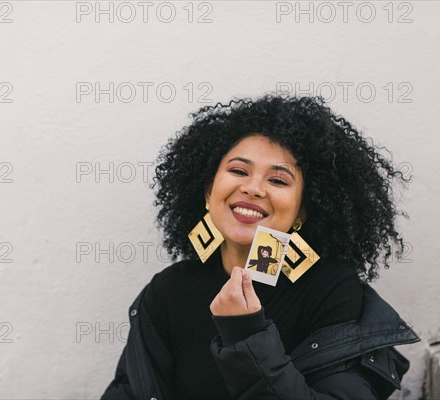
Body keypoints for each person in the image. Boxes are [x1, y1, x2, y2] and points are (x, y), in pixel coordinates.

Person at [101, 95, 420, 399]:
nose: (252, 188)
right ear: (209, 191)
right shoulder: (168, 290)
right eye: (238, 171)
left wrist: (246, 333)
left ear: (301, 212)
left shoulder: (330, 288)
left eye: (278, 180)